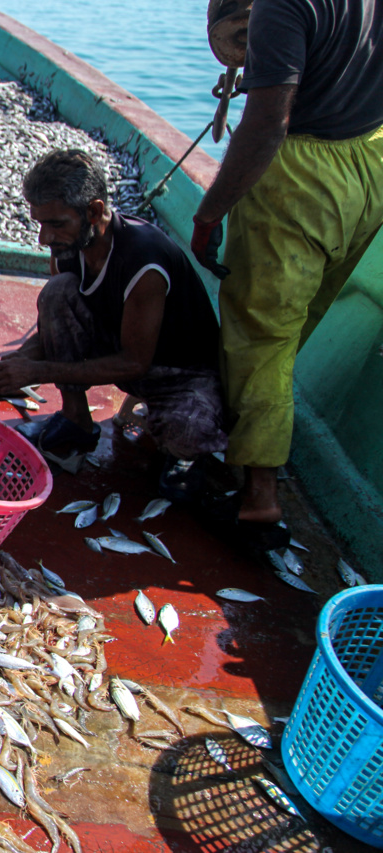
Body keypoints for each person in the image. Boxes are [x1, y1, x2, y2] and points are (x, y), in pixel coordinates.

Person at [191, 0, 383, 554]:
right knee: (298, 322)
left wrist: (210, 212)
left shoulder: (283, 5)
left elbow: (267, 123)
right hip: (370, 165)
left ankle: (258, 498)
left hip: (301, 180)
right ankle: (250, 431)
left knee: (261, 338)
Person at [0, 149, 228, 497]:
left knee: (186, 433)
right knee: (57, 292)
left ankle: (186, 456)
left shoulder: (145, 263)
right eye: (40, 223)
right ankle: (75, 421)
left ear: (94, 211)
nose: (44, 238)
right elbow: (59, 324)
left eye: (56, 224)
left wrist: (36, 373)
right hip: (121, 350)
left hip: (179, 372)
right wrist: (18, 362)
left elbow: (135, 362)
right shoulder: (70, 248)